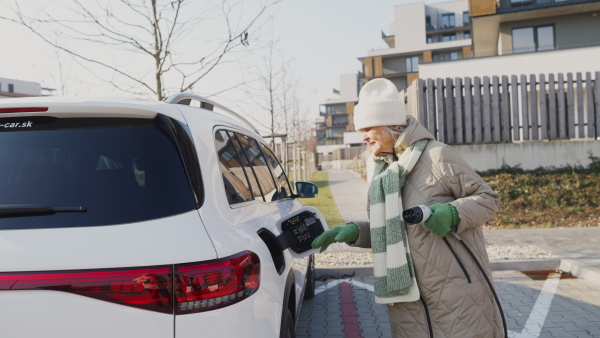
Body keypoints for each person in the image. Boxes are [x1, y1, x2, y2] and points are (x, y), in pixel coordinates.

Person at [312, 78, 504, 337]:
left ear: (391, 123)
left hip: (454, 292)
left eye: (368, 127)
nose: (363, 136)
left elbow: (488, 199)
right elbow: (395, 228)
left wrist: (452, 213)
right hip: (406, 298)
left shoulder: (437, 155)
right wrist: (356, 232)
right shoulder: (383, 168)